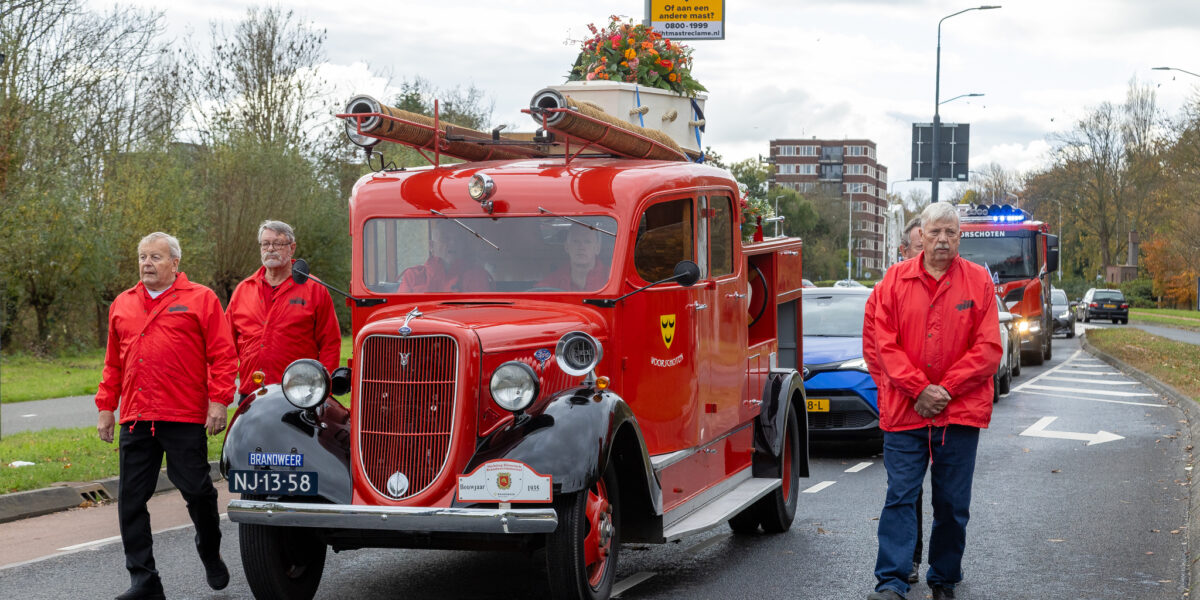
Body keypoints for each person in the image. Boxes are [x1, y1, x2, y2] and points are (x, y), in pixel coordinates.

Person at [865, 203, 1002, 600]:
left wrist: (945, 390)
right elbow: (883, 345)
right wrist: (918, 389)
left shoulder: (978, 282)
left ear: (961, 238)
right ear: (920, 235)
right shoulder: (893, 281)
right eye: (936, 232)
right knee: (900, 498)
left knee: (952, 505)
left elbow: (989, 348)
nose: (943, 240)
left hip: (958, 414)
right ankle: (891, 582)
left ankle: (944, 578)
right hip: (906, 412)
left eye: (951, 233)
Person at [95, 232, 237, 600]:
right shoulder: (123, 304)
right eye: (142, 257)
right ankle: (144, 580)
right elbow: (113, 363)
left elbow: (223, 355)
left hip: (184, 416)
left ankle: (209, 549)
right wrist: (105, 407)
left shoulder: (201, 299)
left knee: (198, 491)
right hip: (137, 418)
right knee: (130, 501)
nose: (146, 264)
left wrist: (219, 400)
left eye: (155, 257)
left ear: (175, 263)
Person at [862, 216, 925, 585]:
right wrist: (896, 390)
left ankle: (945, 570)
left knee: (949, 495)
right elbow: (874, 353)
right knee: (906, 491)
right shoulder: (884, 292)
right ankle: (909, 561)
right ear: (904, 251)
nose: (929, 253)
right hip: (903, 407)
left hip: (942, 406)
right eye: (920, 246)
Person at [226, 220, 341, 402]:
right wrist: (221, 394)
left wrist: (324, 393)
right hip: (251, 394)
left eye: (277, 243)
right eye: (265, 244)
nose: (270, 249)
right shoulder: (243, 290)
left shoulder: (314, 289)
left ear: (292, 248)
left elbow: (330, 344)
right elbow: (226, 347)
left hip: (300, 395)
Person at [398, 220, 492, 292]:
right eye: (445, 238)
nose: (453, 243)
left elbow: (479, 312)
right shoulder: (413, 276)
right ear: (431, 246)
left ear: (463, 245)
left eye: (457, 239)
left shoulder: (477, 276)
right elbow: (401, 311)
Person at [536, 224, 609, 291]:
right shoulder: (554, 280)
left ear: (597, 248)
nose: (581, 247)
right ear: (566, 247)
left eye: (587, 242)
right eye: (576, 241)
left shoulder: (611, 277)